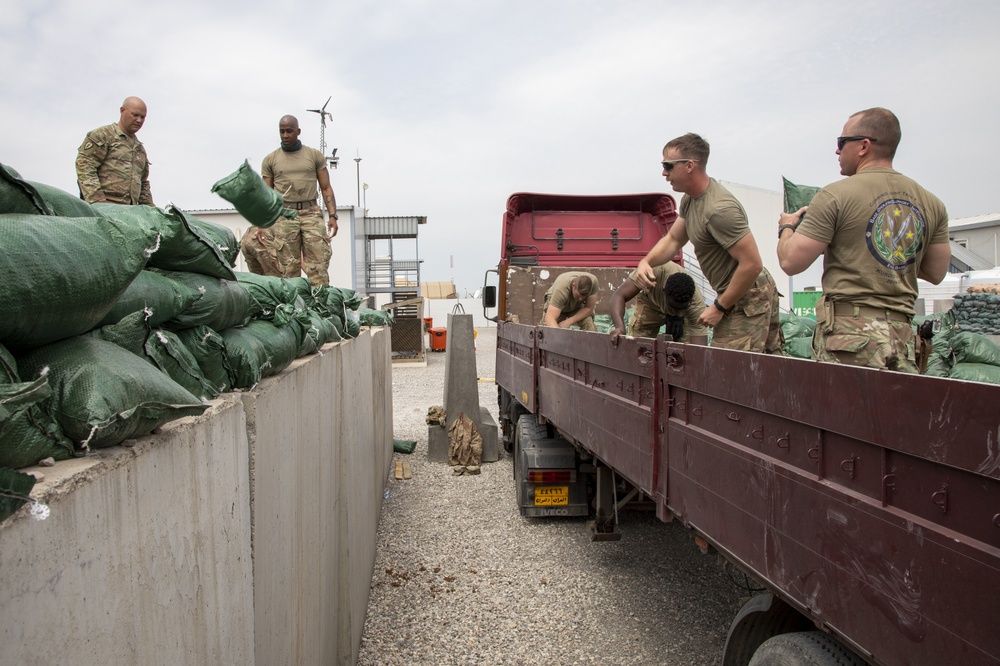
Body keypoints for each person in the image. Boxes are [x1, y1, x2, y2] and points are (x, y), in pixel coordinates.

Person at [776, 107, 950, 373]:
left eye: (841, 142)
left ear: (864, 146)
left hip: (850, 338)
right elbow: (936, 272)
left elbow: (790, 262)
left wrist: (786, 228)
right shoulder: (932, 203)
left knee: (843, 414)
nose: (837, 150)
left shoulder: (835, 195)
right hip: (903, 337)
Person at [635, 133, 783, 353]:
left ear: (689, 166)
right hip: (742, 292)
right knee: (765, 366)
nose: (664, 173)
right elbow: (674, 239)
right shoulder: (690, 199)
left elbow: (752, 264)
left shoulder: (719, 209)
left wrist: (720, 306)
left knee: (727, 369)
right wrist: (646, 262)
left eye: (668, 165)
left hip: (747, 295)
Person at [241, 114, 338, 286]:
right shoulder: (271, 160)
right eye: (282, 131)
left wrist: (332, 216)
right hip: (285, 215)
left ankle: (321, 309)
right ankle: (293, 310)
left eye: (289, 131)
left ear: (298, 132)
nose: (285, 135)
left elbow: (326, 188)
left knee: (318, 267)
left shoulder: (314, 156)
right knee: (288, 268)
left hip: (311, 212)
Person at [75, 96, 153, 205]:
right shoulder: (103, 135)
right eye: (135, 115)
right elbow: (85, 164)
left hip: (130, 213)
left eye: (142, 117)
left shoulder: (140, 150)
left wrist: (150, 210)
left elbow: (143, 184)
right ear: (122, 111)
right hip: (104, 208)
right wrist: (96, 199)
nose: (139, 120)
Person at [609, 263, 708, 343]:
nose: (675, 312)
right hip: (651, 303)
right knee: (638, 344)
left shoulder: (697, 307)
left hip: (685, 315)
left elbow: (699, 351)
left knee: (686, 349)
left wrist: (679, 316)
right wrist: (620, 327)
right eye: (672, 308)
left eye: (679, 309)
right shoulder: (653, 271)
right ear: (663, 291)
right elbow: (619, 296)